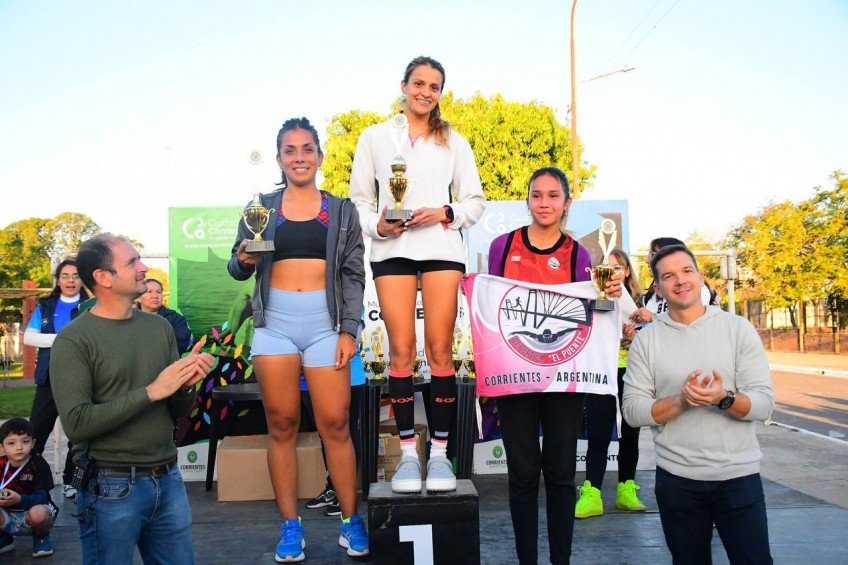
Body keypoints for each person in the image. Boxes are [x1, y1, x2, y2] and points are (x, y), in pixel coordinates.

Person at [228, 117, 367, 561]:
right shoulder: (261, 208)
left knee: (336, 425)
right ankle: (290, 526)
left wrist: (349, 330)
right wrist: (243, 259)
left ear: (320, 157)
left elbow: (353, 273)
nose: (299, 157)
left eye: (307, 149)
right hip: (275, 326)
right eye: (290, 150)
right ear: (279, 159)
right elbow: (236, 267)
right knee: (282, 425)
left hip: (326, 326)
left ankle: (350, 521)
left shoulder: (341, 210)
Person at [349, 55, 486, 493]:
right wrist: (378, 225)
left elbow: (474, 201)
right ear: (404, 85)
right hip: (392, 250)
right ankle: (409, 456)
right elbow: (358, 201)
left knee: (441, 350)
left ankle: (440, 455)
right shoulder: (374, 137)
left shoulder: (454, 141)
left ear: (440, 93)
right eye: (419, 83)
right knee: (401, 352)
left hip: (441, 249)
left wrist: (444, 212)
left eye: (434, 86)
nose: (426, 92)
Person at [50, 234, 215, 564]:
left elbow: (179, 409)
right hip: (108, 488)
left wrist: (185, 385)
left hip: (168, 479)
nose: (144, 268)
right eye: (131, 262)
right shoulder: (73, 340)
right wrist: (152, 391)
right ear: (103, 277)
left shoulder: (159, 328)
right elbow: (77, 423)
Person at [487, 167, 622, 565]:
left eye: (552, 195)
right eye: (536, 195)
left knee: (562, 476)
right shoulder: (502, 246)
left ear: (566, 202)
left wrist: (610, 296)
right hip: (515, 377)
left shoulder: (579, 254)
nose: (544, 203)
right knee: (522, 475)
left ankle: (561, 560)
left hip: (564, 378)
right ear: (528, 200)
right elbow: (492, 307)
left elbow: (589, 311)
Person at [622, 245, 774, 564]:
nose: (680, 280)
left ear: (701, 277)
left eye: (687, 271)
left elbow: (764, 405)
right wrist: (682, 400)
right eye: (669, 276)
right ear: (658, 288)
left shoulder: (738, 329)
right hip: (677, 481)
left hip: (739, 478)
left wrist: (724, 398)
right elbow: (633, 412)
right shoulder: (646, 340)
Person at [576, 248, 646, 519]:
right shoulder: (592, 297)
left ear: (627, 271)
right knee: (599, 435)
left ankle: (626, 491)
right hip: (602, 373)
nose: (612, 273)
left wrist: (635, 337)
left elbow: (654, 338)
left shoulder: (641, 303)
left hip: (632, 374)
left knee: (630, 434)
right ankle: (592, 493)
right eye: (606, 268)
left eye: (617, 268)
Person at [23, 259, 90, 499]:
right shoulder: (45, 305)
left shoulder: (91, 306)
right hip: (49, 379)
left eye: (75, 275)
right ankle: (28, 479)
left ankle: (72, 480)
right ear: (58, 280)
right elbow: (30, 338)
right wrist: (65, 338)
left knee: (79, 435)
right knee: (35, 432)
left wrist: (53, 338)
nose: (70, 280)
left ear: (82, 280)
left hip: (81, 379)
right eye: (65, 276)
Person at [0, 418, 58, 558]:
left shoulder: (38, 464)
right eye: (12, 443)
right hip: (7, 515)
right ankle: (4, 539)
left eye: (25, 441)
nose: (19, 447)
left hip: (31, 515)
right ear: (1, 447)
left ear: (33, 443)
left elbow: (42, 498)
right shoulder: (1, 464)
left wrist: (19, 499)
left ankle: (41, 536)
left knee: (39, 513)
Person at [630, 236, 718, 326]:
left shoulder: (694, 288)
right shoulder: (650, 296)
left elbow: (691, 323)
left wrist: (653, 317)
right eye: (668, 277)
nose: (647, 260)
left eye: (652, 255)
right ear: (658, 289)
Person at [137, 278, 193, 354]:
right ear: (139, 298)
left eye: (159, 292)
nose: (155, 296)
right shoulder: (130, 318)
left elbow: (181, 343)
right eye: (149, 291)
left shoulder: (175, 318)